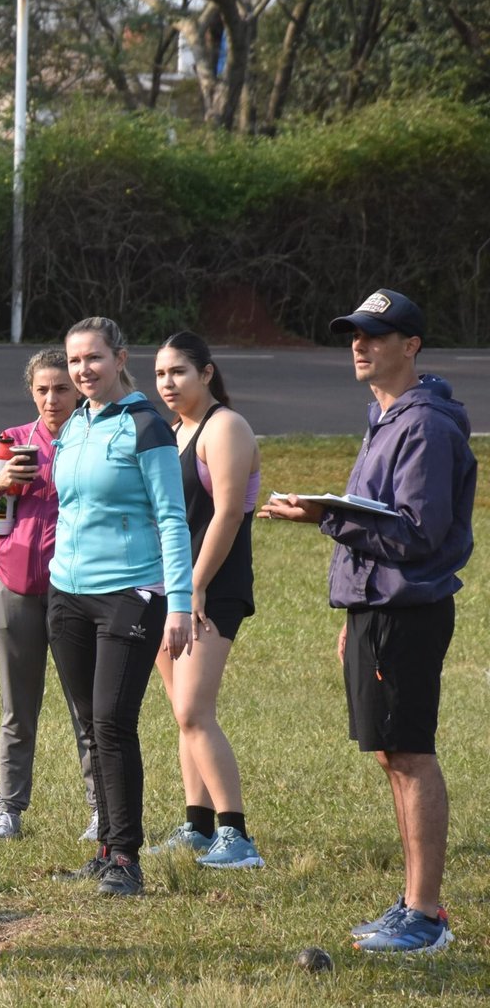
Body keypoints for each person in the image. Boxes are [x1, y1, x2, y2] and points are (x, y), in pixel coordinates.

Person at [260, 289, 473, 954]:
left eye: (377, 335)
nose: (360, 345)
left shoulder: (426, 426)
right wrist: (355, 605)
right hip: (378, 609)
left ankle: (428, 915)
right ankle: (412, 901)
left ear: (410, 346)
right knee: (390, 752)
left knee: (410, 754)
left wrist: (325, 515)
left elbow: (416, 533)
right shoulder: (386, 417)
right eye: (355, 334)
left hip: (408, 612)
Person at [47, 316, 192, 897]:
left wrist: (178, 604)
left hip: (131, 594)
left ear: (119, 358)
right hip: (67, 595)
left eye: (94, 358)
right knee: (89, 723)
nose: (83, 370)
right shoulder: (75, 424)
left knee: (112, 721)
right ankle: (105, 845)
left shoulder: (145, 425)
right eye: (74, 360)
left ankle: (128, 859)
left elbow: (173, 518)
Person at [0, 349, 98, 843]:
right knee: (18, 709)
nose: (53, 399)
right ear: (31, 392)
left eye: (62, 388)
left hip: (75, 590)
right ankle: (8, 811)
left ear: (78, 389)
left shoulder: (91, 438)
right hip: (13, 589)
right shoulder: (11, 441)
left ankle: (102, 810)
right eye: (43, 389)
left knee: (87, 707)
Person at [148, 332, 264, 869]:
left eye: (178, 372)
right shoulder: (173, 431)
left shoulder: (226, 428)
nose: (167, 383)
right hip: (171, 591)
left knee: (195, 710)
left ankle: (236, 837)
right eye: (160, 375)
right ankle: (196, 827)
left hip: (212, 588)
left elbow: (228, 514)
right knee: (182, 715)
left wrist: (194, 585)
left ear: (207, 374)